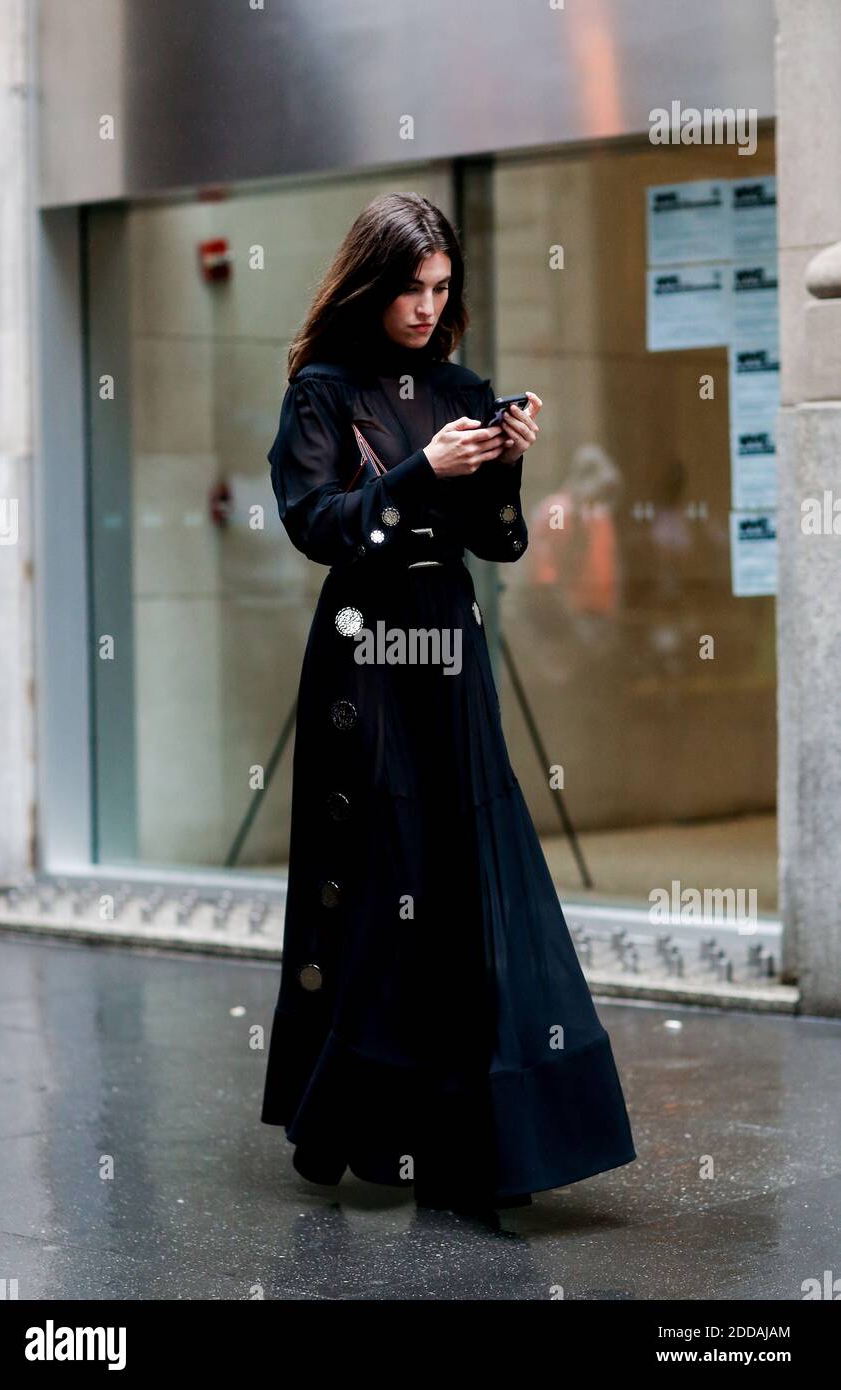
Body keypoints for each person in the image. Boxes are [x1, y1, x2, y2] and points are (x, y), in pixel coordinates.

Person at [260, 191, 637, 1216]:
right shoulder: (322, 392)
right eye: (409, 289)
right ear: (371, 284)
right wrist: (416, 473)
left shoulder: (461, 388)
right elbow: (316, 524)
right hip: (365, 646)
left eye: (440, 289)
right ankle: (346, 1118)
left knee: (465, 870)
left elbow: (498, 543)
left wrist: (505, 466)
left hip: (447, 638)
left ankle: (476, 1126)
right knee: (388, 870)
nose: (426, 309)